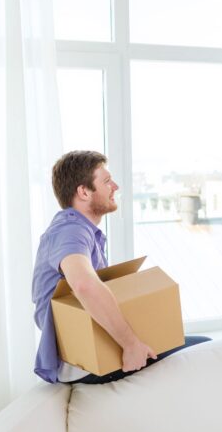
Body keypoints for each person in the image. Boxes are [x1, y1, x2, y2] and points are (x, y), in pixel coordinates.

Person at [32, 150, 209, 384]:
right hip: (82, 362)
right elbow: (84, 284)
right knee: (207, 350)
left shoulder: (80, 230)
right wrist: (131, 345)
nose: (115, 186)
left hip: (88, 351)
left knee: (197, 347)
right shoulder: (70, 230)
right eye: (106, 181)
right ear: (84, 191)